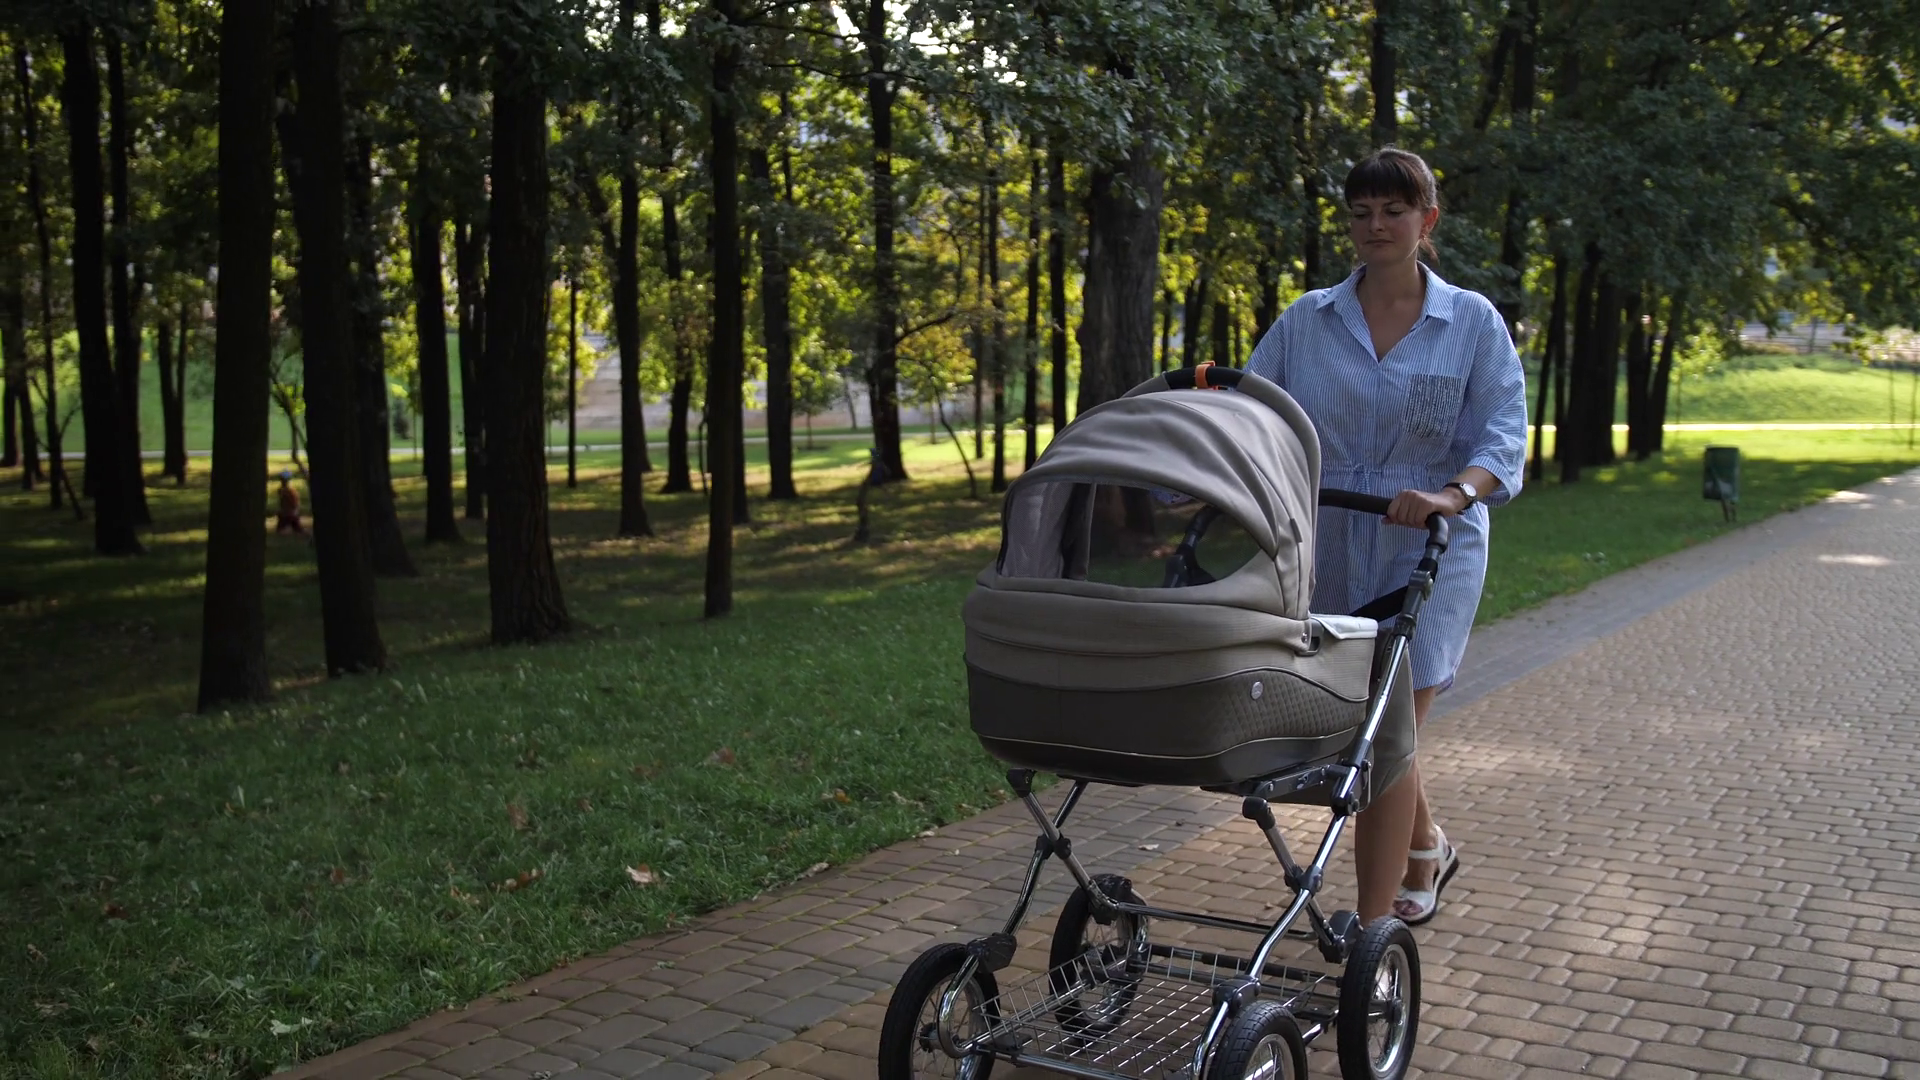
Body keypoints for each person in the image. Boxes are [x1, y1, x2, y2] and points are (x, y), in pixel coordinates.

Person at [1244, 147, 1527, 927]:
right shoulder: (1308, 321)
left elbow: (1504, 432)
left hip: (1430, 549)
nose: (1375, 225)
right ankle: (1426, 845)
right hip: (1331, 539)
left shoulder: (1471, 322)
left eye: (1393, 211)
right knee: (1371, 725)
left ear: (1426, 220)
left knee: (1383, 735)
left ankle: (1372, 933)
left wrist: (1451, 493)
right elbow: (1253, 410)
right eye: (1361, 212)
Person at [275, 470, 304, 534]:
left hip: (287, 514)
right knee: (298, 530)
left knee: (280, 530)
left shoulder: (284, 491)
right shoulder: (290, 490)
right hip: (292, 513)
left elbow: (285, 504)